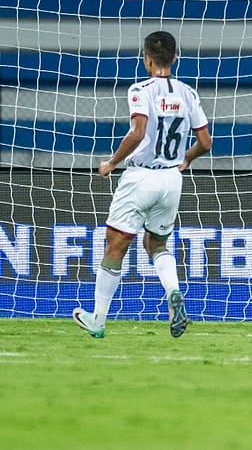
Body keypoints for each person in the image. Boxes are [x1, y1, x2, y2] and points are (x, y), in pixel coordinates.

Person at [72, 31, 212, 339]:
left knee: (116, 245)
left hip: (141, 177)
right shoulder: (188, 93)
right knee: (156, 244)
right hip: (172, 180)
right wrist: (185, 159)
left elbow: (137, 132)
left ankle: (97, 319)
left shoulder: (141, 89)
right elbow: (205, 142)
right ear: (175, 58)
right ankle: (174, 292)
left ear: (147, 59)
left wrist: (112, 162)